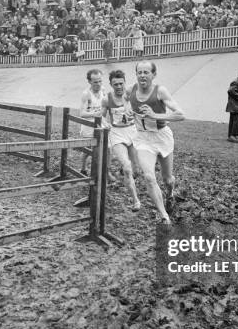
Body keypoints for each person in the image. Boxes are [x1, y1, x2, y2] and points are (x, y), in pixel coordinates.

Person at [128, 61, 185, 225]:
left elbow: (181, 115)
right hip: (143, 139)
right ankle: (164, 216)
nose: (142, 75)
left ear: (154, 75)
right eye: (139, 72)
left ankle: (170, 193)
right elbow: (120, 101)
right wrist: (127, 111)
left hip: (162, 137)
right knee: (148, 176)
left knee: (167, 179)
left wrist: (155, 116)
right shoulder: (131, 90)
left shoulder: (160, 91)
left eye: (146, 72)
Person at [101, 69, 141, 211]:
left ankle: (127, 175)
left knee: (136, 169)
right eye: (115, 84)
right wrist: (104, 123)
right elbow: (101, 116)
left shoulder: (131, 95)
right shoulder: (107, 99)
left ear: (125, 83)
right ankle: (135, 200)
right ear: (111, 85)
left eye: (121, 83)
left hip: (132, 132)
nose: (118, 87)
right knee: (127, 167)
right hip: (117, 134)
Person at [79, 69, 106, 175]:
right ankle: (83, 168)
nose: (98, 84)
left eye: (100, 81)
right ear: (90, 82)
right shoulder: (86, 94)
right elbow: (82, 113)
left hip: (99, 124)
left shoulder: (103, 90)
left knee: (101, 148)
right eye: (95, 82)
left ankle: (99, 171)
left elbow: (103, 106)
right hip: (88, 126)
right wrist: (95, 114)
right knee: (87, 150)